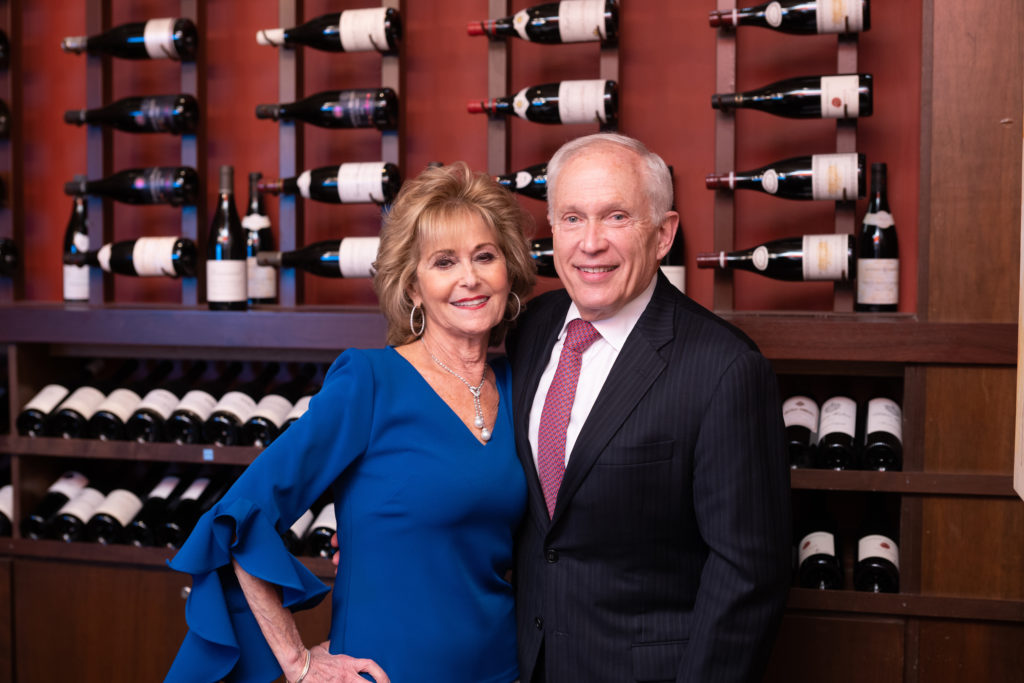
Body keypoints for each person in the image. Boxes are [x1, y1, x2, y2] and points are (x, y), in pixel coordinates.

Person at [163, 161, 536, 683]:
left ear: (509, 270)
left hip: (501, 669)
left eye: (485, 256)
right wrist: (298, 662)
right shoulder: (371, 381)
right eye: (444, 262)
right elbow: (240, 516)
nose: (469, 278)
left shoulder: (521, 383)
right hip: (385, 673)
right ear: (412, 288)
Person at [506, 133, 791, 683]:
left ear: (663, 235)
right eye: (571, 218)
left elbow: (748, 577)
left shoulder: (724, 368)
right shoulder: (529, 329)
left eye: (616, 217)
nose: (590, 243)